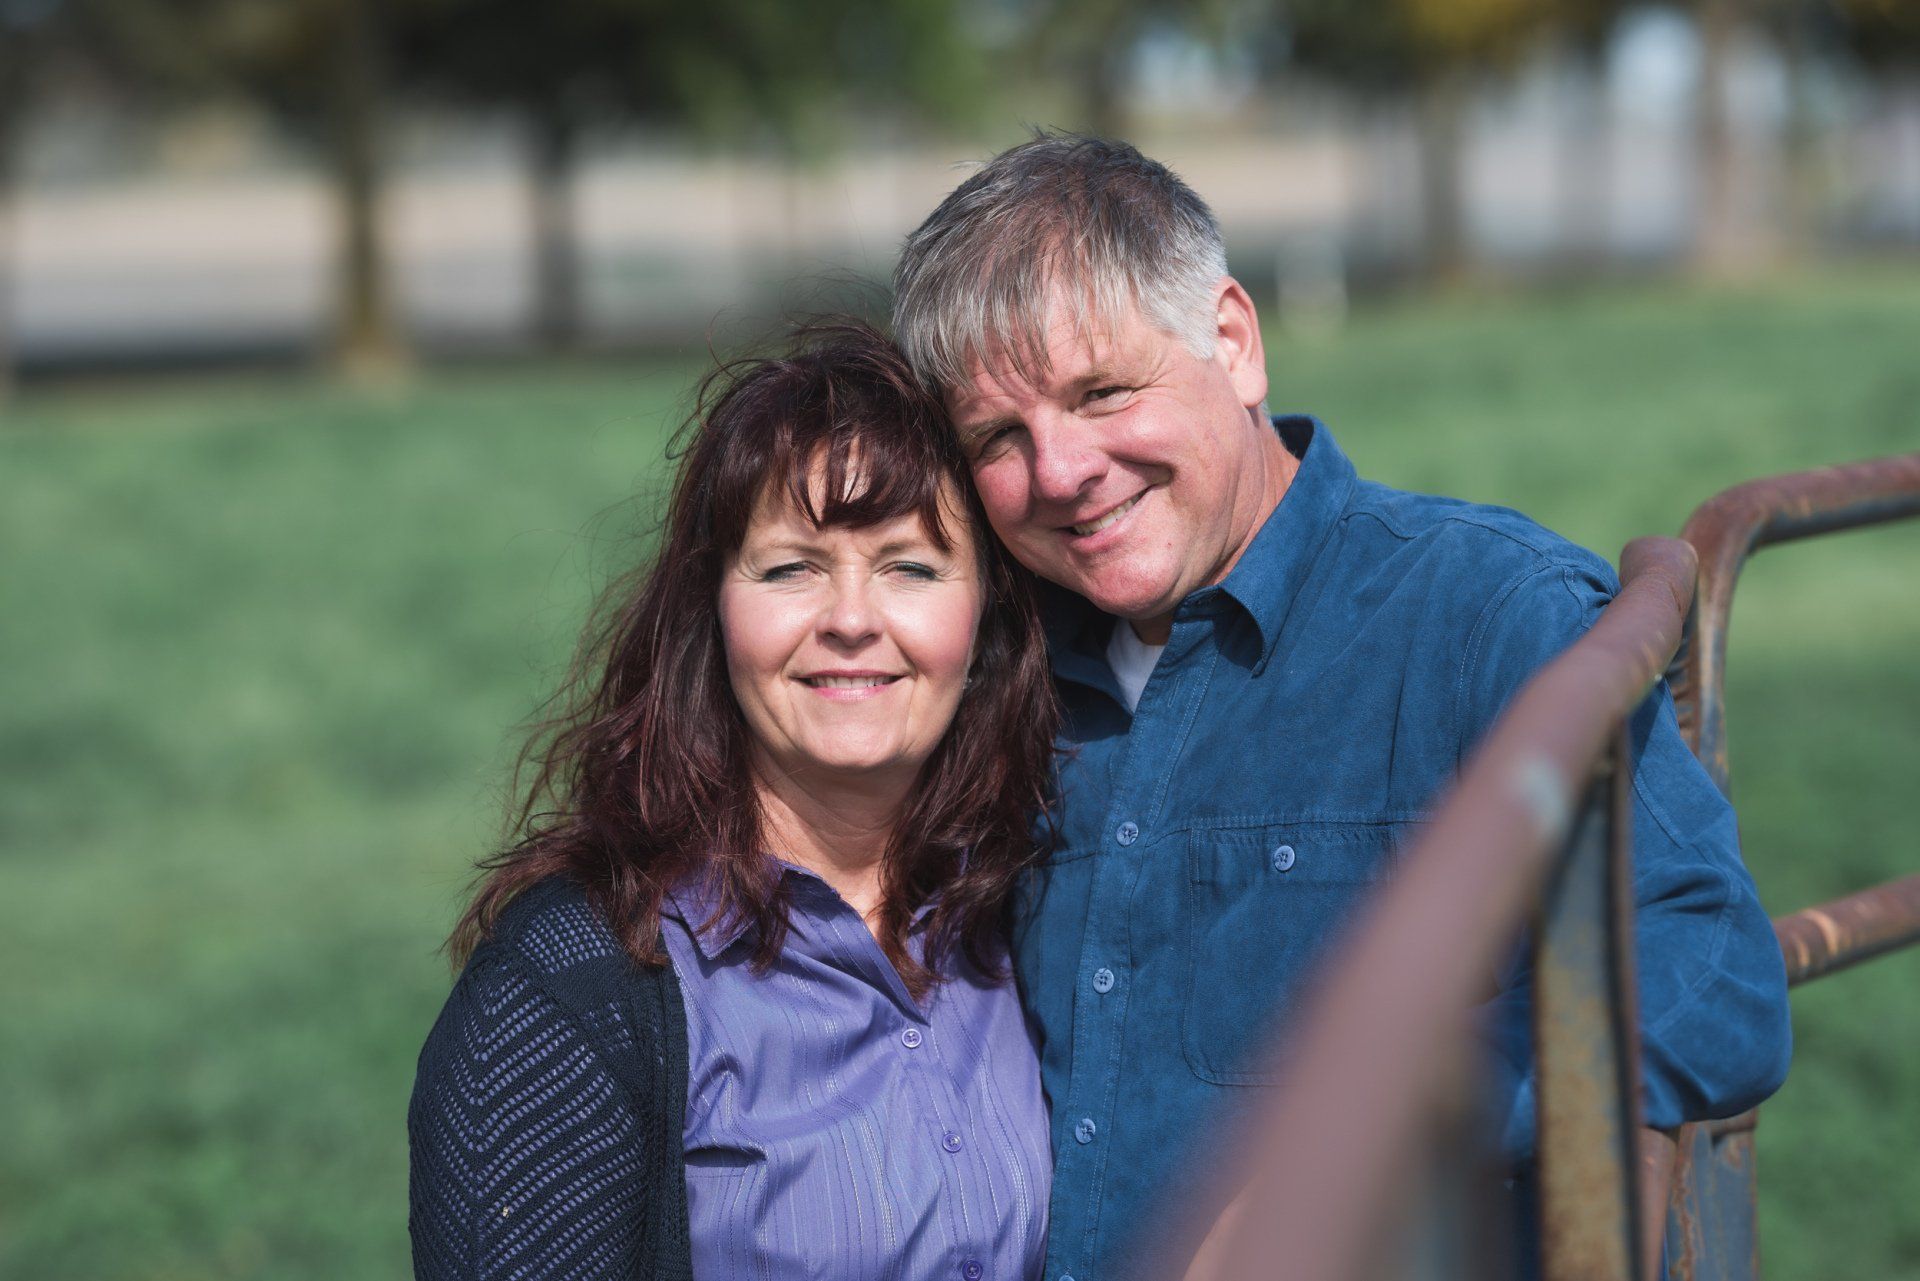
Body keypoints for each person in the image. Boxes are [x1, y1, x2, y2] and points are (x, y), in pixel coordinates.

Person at [891, 133, 1793, 1280]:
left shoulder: (1482, 613)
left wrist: (1361, 1148)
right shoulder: (984, 669)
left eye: (1102, 392)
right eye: (999, 439)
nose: (1061, 470)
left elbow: (1708, 970)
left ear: (1231, 340)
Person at [407, 321, 1060, 1280]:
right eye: (791, 566)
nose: (849, 618)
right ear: (711, 606)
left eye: (910, 567)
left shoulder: (1026, 906)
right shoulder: (573, 988)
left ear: (988, 614)